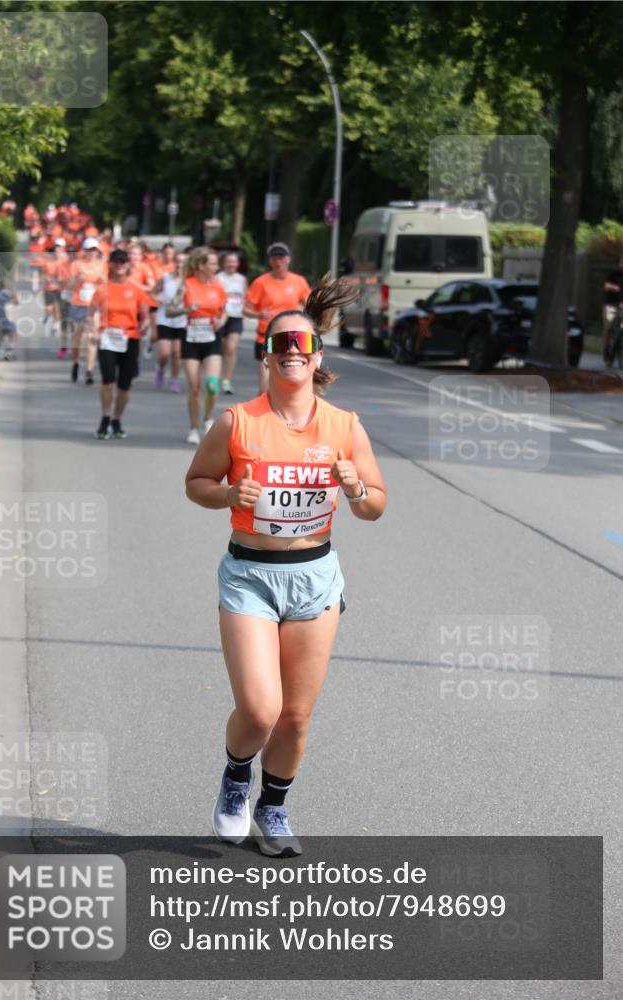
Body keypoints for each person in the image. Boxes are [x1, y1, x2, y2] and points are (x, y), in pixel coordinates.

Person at [185, 275, 388, 857]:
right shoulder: (237, 422)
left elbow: (375, 506)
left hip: (316, 580)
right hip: (250, 575)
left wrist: (355, 489)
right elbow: (196, 482)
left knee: (295, 718)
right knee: (260, 708)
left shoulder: (345, 427)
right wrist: (227, 497)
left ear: (317, 355)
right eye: (281, 345)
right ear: (267, 357)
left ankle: (273, 808)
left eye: (302, 344)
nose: (292, 352)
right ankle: (234, 777)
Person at [87, 248, 149, 440]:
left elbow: (145, 316)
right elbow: (91, 313)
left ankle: (117, 419)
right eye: (116, 262)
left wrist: (145, 326)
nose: (119, 265)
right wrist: (92, 330)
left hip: (130, 338)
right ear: (111, 265)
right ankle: (105, 418)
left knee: (125, 385)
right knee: (108, 382)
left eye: (123, 262)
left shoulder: (137, 290)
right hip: (107, 337)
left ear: (128, 265)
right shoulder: (102, 289)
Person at [244, 242, 311, 394]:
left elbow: (310, 305)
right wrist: (258, 314)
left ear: (288, 259)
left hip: (292, 340)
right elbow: (246, 309)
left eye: (281, 257)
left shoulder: (298, 281)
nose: (278, 261)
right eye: (274, 258)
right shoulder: (260, 282)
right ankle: (259, 417)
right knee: (265, 389)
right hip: (266, 338)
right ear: (270, 261)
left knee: (291, 386)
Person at [181, 247, 227, 444]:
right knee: (194, 387)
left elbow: (224, 311)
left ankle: (207, 418)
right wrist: (184, 310)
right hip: (191, 339)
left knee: (212, 385)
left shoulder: (218, 286)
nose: (217, 267)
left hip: (211, 339)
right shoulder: (186, 285)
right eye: (213, 263)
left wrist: (221, 322)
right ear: (201, 266)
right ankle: (193, 427)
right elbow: (174, 308)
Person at [68, 237, 106, 383]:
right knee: (78, 338)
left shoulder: (102, 265)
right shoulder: (77, 264)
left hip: (94, 306)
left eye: (94, 250)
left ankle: (89, 370)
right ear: (84, 251)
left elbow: (107, 286)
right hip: (78, 304)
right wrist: (79, 278)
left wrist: (103, 281)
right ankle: (76, 363)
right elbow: (70, 286)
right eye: (89, 250)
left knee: (92, 337)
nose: (91, 253)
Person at [153, 250, 187, 391]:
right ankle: (160, 369)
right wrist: (162, 300)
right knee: (164, 353)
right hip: (165, 319)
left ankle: (174, 379)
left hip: (181, 320)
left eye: (183, 262)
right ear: (174, 263)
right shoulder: (166, 278)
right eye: (178, 261)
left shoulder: (189, 281)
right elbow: (153, 292)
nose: (180, 264)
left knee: (177, 353)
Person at [217, 252, 247, 395]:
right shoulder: (217, 278)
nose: (231, 265)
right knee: (222, 348)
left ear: (237, 264)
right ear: (224, 263)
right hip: (220, 317)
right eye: (228, 262)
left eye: (234, 262)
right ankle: (216, 375)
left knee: (231, 347)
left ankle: (226, 381)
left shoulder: (242, 279)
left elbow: (246, 297)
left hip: (236, 316)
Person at [602, 255, 623, 362]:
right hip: (610, 305)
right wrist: (613, 287)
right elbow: (605, 286)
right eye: (621, 262)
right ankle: (606, 349)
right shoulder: (613, 273)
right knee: (608, 326)